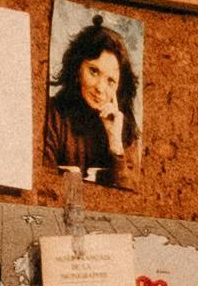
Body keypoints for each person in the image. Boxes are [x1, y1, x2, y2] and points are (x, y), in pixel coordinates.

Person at [44, 18, 134, 186]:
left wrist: (115, 142)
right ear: (77, 68)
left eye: (110, 81)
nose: (100, 88)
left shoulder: (124, 129)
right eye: (94, 71)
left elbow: (128, 198)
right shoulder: (52, 115)